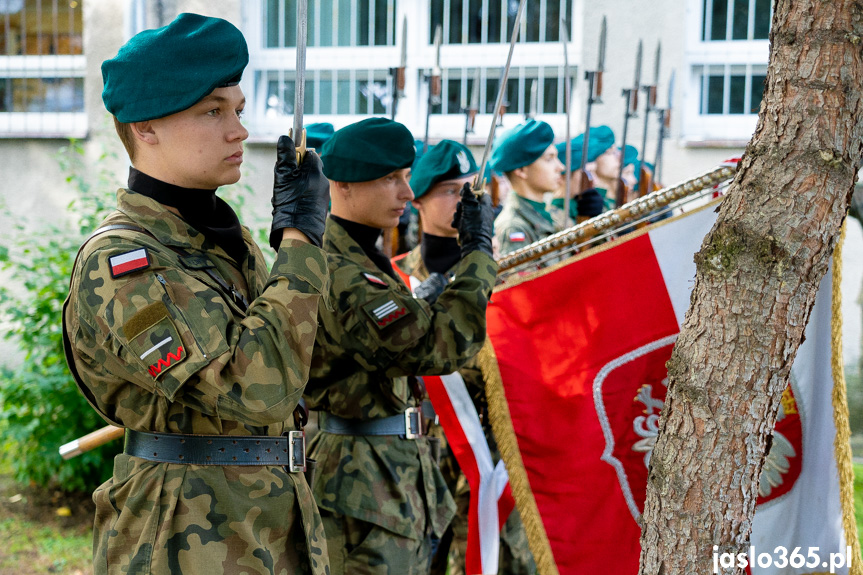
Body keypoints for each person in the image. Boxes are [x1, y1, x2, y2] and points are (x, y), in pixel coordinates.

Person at [61, 13, 330, 575]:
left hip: (267, 523)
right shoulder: (123, 262)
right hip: (183, 536)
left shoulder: (227, 242)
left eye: (238, 110)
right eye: (212, 111)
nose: (239, 131)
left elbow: (306, 365)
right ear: (145, 127)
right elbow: (259, 389)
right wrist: (302, 240)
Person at [304, 118, 498, 575]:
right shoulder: (343, 272)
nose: (407, 193)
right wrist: (478, 256)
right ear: (344, 185)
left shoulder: (365, 260)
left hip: (387, 473)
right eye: (390, 179)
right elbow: (436, 348)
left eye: (407, 177)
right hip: (361, 484)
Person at [392, 140, 536, 575]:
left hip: (496, 458)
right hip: (423, 461)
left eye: (469, 190)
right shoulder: (396, 277)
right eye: (450, 191)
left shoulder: (506, 272)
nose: (462, 201)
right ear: (417, 199)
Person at [491, 119, 565, 256]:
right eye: (549, 159)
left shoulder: (551, 215)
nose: (560, 167)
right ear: (521, 170)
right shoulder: (513, 228)